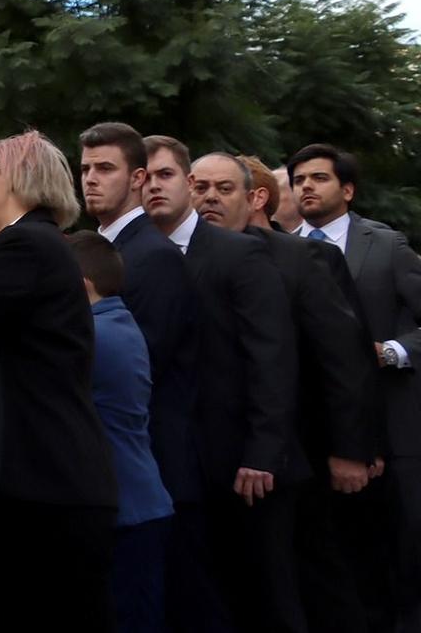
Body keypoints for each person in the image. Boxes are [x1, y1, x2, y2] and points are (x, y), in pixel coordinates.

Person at [193, 153, 379, 633]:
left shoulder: (298, 257)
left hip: (306, 453)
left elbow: (342, 357)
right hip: (219, 458)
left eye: (224, 189)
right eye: (200, 187)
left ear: (253, 199)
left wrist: (351, 448)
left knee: (315, 582)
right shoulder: (183, 258)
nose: (209, 198)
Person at [143, 135, 303, 633]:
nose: (208, 195)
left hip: (242, 465)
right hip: (176, 464)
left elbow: (271, 359)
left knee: (262, 594)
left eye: (165, 175)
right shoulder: (142, 255)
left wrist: (261, 452)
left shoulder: (239, 255)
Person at [0, 131, 117, 633]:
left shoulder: (23, 247)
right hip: (63, 479)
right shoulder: (48, 245)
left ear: (13, 179)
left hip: (44, 486)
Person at [79, 121, 222, 631]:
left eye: (105, 169)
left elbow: (144, 367)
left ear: (137, 178)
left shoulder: (152, 257)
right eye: (86, 169)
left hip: (153, 467)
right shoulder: (103, 249)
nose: (91, 179)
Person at [289, 142, 421, 630]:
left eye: (318, 178)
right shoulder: (281, 248)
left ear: (346, 189)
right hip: (317, 435)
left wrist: (391, 351)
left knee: (400, 552)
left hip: (392, 422)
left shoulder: (385, 245)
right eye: (299, 179)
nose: (306, 186)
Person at [67, 232, 174, 633]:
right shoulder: (119, 321)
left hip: (124, 511)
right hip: (140, 501)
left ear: (79, 287)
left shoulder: (95, 337)